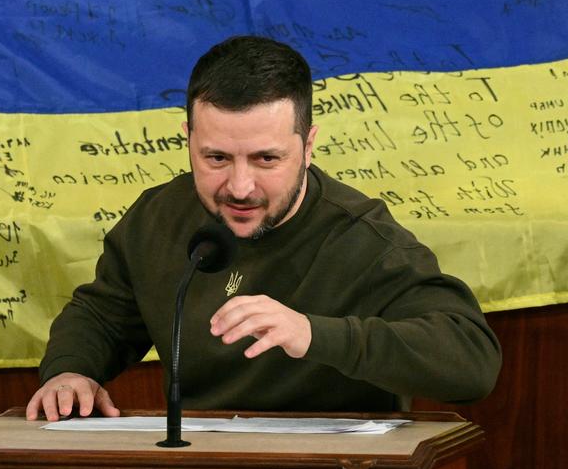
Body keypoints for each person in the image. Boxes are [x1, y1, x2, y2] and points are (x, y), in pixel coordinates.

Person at [25, 35, 501, 420]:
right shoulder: (158, 217)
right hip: (196, 455)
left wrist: (312, 334)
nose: (239, 186)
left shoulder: (364, 239)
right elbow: (104, 316)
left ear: (308, 146)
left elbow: (472, 362)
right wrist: (70, 372)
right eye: (215, 158)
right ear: (188, 140)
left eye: (266, 159)